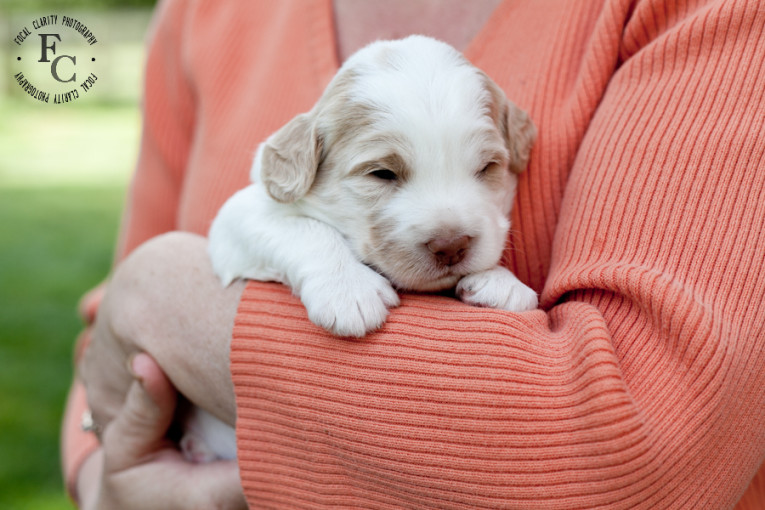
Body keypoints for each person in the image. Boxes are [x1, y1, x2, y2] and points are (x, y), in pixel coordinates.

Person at [63, 0, 765, 508]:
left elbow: (640, 455)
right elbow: (110, 334)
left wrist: (159, 294)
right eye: (383, 175)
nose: (449, 230)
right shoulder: (204, 14)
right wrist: (103, 478)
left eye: (484, 168)